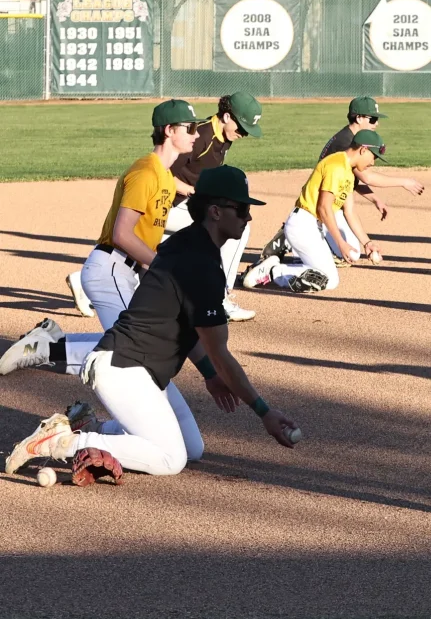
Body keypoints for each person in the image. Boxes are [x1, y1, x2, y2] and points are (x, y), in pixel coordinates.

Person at [4, 166, 298, 480]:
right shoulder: (202, 265)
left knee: (191, 447)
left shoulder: (186, 244)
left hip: (141, 369)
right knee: (171, 459)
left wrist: (210, 376)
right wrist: (264, 412)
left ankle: (91, 426)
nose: (248, 217)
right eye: (241, 209)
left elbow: (192, 331)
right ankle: (64, 442)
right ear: (215, 211)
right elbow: (221, 355)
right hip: (122, 368)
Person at [1, 99, 199, 377]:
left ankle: (48, 343)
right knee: (129, 349)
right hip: (110, 270)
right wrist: (162, 266)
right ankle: (41, 351)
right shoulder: (146, 173)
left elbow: (144, 237)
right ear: (169, 130)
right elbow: (121, 234)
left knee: (137, 343)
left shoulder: (164, 176)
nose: (196, 134)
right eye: (190, 128)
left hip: (123, 272)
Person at [259, 96, 424, 262]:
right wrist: (404, 182)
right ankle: (294, 239)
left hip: (333, 198)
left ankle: (304, 240)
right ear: (359, 118)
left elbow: (351, 180)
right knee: (344, 251)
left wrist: (374, 199)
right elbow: (366, 176)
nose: (376, 124)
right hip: (320, 204)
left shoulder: (353, 139)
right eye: (373, 119)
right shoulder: (348, 143)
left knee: (352, 250)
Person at [160, 91, 264, 323]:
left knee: (145, 258)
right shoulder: (201, 137)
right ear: (227, 116)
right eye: (241, 127)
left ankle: (83, 281)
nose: (243, 134)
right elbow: (161, 173)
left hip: (180, 207)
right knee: (236, 224)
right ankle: (221, 298)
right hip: (166, 206)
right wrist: (194, 192)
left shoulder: (223, 137)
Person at [242, 130, 386, 293]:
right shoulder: (336, 166)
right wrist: (341, 243)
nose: (373, 162)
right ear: (363, 149)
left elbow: (349, 211)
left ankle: (276, 268)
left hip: (310, 226)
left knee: (325, 277)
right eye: (373, 157)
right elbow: (324, 208)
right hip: (302, 225)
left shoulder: (347, 170)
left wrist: (367, 243)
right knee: (329, 279)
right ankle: (272, 271)